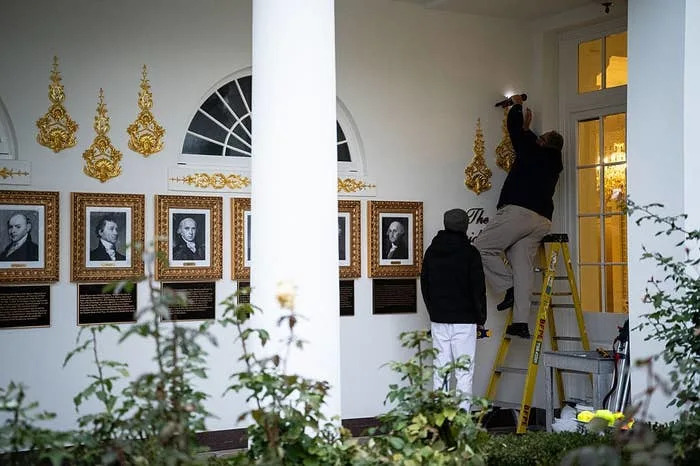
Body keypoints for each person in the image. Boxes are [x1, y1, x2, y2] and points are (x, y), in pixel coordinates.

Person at [474, 95, 563, 339]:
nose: (537, 138)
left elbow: (516, 133)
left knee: (481, 248)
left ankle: (507, 285)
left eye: (540, 137)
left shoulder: (535, 153)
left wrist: (515, 106)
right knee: (523, 266)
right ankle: (521, 323)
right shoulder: (552, 161)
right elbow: (528, 139)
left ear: (543, 144)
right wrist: (529, 130)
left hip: (520, 212)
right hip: (542, 219)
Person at [421, 208, 486, 412]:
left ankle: (441, 421)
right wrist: (480, 317)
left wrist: (433, 311)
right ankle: (462, 421)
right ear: (465, 226)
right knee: (464, 373)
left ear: (445, 224)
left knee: (441, 371)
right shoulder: (470, 253)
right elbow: (478, 289)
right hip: (464, 321)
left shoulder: (432, 251)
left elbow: (425, 286)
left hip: (439, 319)